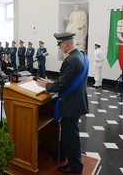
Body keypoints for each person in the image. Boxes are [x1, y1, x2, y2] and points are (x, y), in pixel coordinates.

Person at [36, 32, 89, 174]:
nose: (59, 47)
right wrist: (53, 83)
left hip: (71, 103)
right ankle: (62, 153)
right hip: (77, 100)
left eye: (59, 44)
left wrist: (47, 85)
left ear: (66, 43)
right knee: (67, 131)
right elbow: (69, 81)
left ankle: (75, 165)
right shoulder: (82, 55)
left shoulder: (70, 60)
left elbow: (62, 85)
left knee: (71, 134)